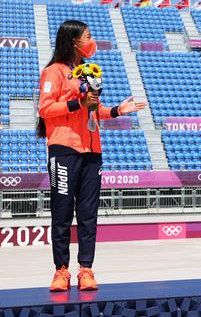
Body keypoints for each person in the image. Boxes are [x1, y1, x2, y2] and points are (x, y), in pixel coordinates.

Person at [37, 20, 147, 291]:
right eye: (87, 37)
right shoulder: (54, 72)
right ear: (74, 41)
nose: (91, 41)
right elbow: (45, 109)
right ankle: (61, 272)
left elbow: (94, 111)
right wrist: (77, 103)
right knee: (62, 214)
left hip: (92, 152)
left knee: (88, 214)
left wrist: (118, 110)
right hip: (64, 150)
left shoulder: (86, 72)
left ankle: (86, 269)